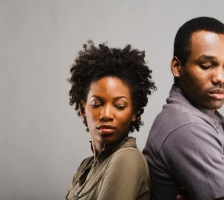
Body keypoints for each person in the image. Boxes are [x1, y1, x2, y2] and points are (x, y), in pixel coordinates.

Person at [143, 16, 224, 200]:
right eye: (207, 65)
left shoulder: (206, 117)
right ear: (177, 67)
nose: (220, 77)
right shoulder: (187, 126)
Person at [65, 40, 156, 200]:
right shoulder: (84, 168)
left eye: (119, 105)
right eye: (97, 104)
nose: (106, 114)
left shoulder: (127, 159)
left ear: (133, 112)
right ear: (82, 109)